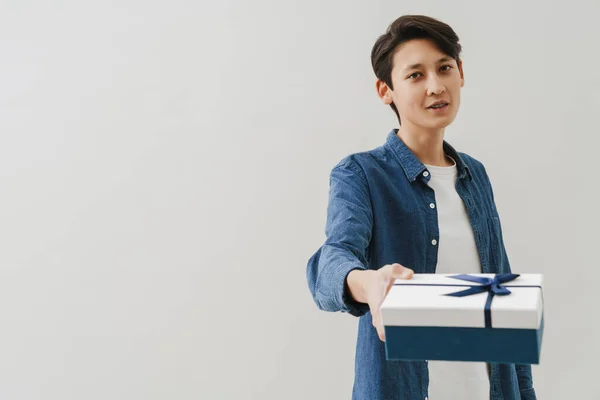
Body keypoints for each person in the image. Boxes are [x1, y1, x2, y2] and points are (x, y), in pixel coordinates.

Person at [306, 14, 536, 400]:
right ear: (386, 90)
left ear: (460, 72)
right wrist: (370, 283)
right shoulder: (361, 173)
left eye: (444, 68)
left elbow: (503, 301)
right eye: (415, 75)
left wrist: (525, 390)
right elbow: (332, 260)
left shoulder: (474, 175)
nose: (435, 86)